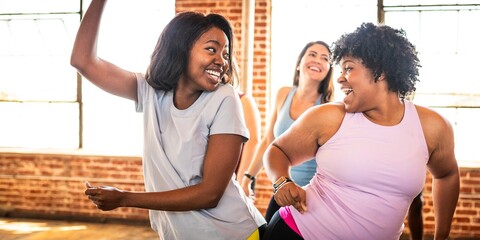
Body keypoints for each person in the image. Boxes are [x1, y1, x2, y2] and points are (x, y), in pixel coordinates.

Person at [70, 1, 266, 239]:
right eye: (212, 50)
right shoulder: (151, 91)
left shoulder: (225, 98)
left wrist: (124, 198)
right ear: (181, 50)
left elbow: (210, 194)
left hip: (233, 233)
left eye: (225, 53)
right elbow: (83, 61)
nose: (222, 61)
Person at [262, 22, 459, 239]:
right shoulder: (329, 117)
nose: (339, 78)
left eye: (348, 68)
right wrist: (282, 181)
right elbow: (277, 150)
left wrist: (441, 236)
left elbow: (447, 174)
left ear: (380, 72)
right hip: (298, 233)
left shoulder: (432, 127)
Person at [240, 41, 335, 219]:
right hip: (282, 189)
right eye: (312, 54)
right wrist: (248, 176)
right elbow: (269, 142)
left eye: (325, 58)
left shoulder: (329, 107)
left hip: (311, 197)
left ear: (328, 69)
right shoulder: (283, 94)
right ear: (299, 63)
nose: (317, 60)